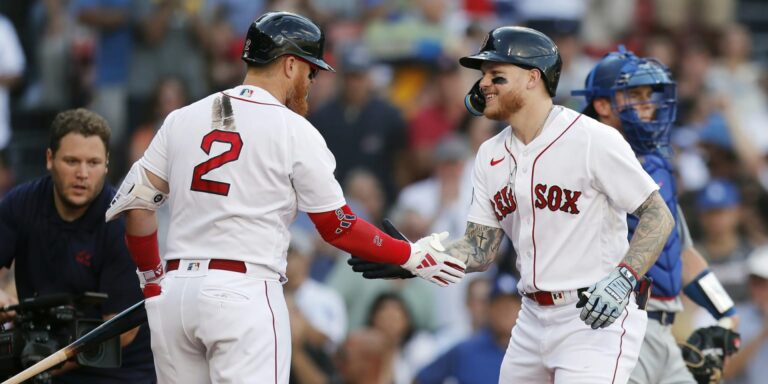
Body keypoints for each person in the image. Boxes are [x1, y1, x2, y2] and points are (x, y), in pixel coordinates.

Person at [105, 11, 467, 384]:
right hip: (243, 294)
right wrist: (409, 254)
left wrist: (152, 284)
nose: (311, 82)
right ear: (290, 64)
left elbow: (137, 206)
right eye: (311, 71)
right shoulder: (295, 130)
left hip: (176, 294)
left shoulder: (182, 118)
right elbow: (337, 227)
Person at [352, 26, 676, 383]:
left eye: (496, 74)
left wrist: (624, 277)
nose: (484, 84)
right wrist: (412, 257)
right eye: (483, 75)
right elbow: (479, 249)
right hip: (531, 319)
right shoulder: (490, 154)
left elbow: (658, 215)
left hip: (593, 317)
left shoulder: (591, 139)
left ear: (532, 78)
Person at [571, 46, 739, 384]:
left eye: (650, 94)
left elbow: (682, 253)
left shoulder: (656, 165)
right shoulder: (583, 164)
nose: (648, 103)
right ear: (603, 105)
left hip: (664, 330)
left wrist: (726, 315)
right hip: (614, 326)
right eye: (634, 94)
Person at [0, 108, 155, 383]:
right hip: (38, 355)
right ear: (50, 159)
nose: (82, 173)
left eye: (93, 163)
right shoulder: (19, 204)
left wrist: (39, 368)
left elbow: (121, 330)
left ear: (107, 164)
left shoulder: (120, 222)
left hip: (115, 372)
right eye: (71, 161)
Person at [415, 271, 521, 384]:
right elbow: (421, 379)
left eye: (511, 305)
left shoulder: (532, 350)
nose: (506, 312)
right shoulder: (465, 351)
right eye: (500, 306)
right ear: (489, 309)